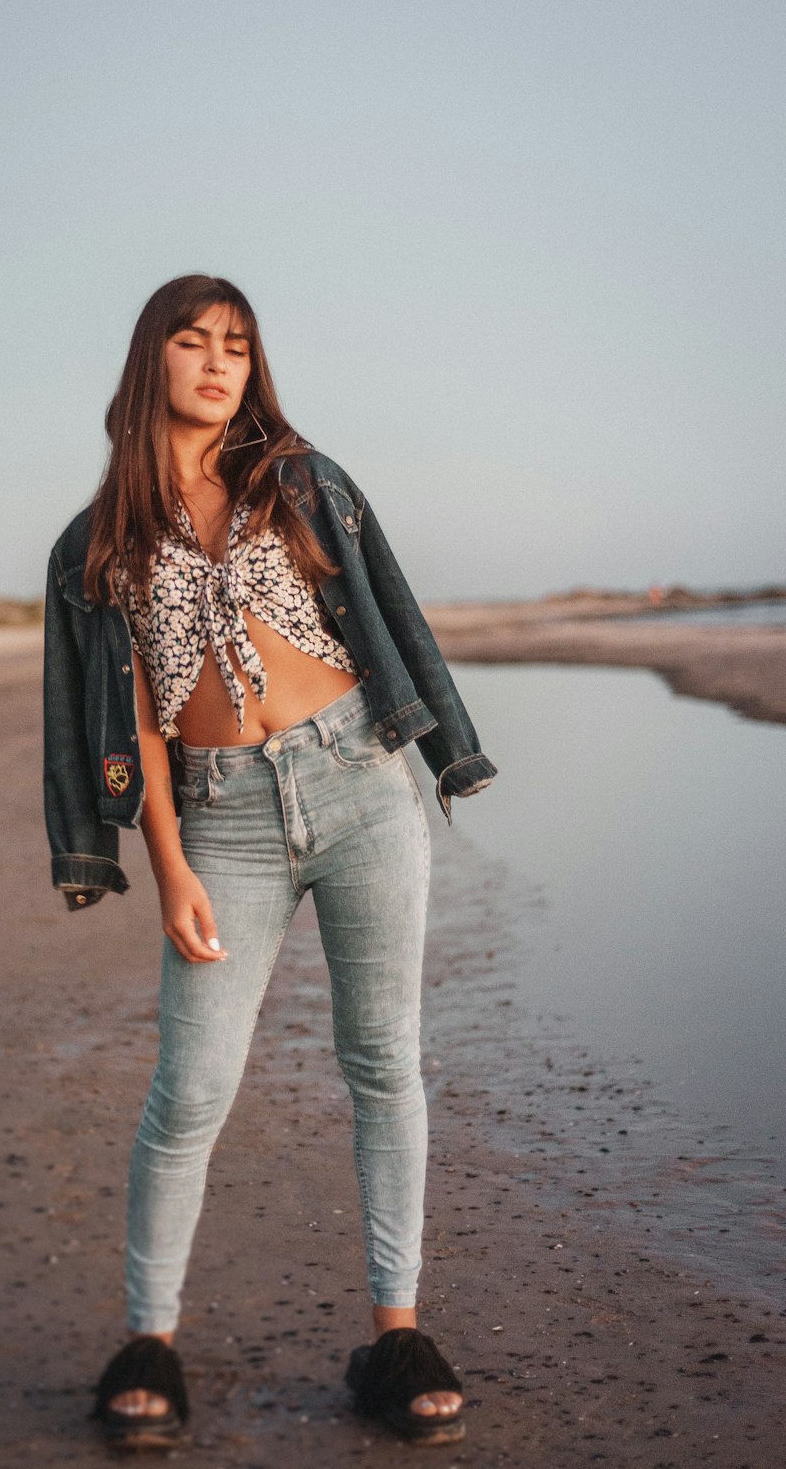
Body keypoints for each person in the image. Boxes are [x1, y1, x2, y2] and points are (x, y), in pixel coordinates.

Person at [42, 274, 497, 1450]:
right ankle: (150, 1346)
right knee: (187, 1092)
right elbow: (126, 713)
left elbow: (385, 615)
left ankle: (395, 1341)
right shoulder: (95, 542)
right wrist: (169, 862)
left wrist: (436, 750)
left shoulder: (301, 480)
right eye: (192, 342)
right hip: (220, 820)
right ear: (151, 362)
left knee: (382, 1063)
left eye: (236, 345)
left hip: (359, 787)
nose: (216, 363)